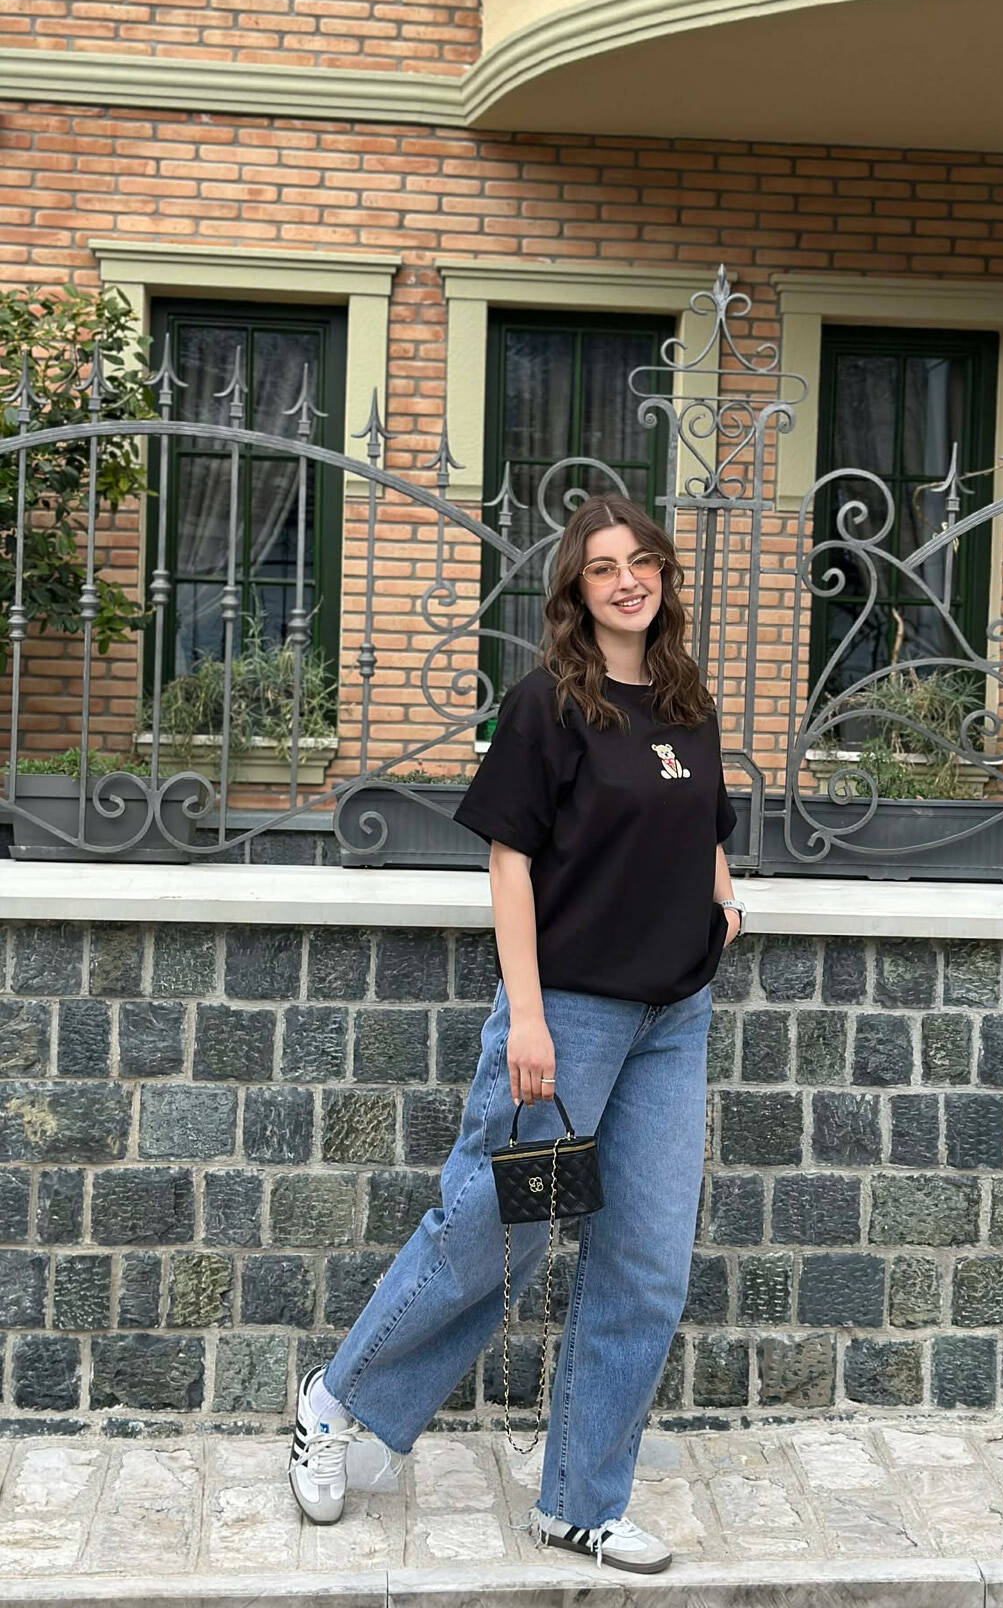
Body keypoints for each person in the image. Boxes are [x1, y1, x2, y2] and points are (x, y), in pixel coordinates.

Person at [287, 492, 745, 1574]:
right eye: (604, 567)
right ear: (576, 589)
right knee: (498, 1232)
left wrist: (726, 902)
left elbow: (706, 828)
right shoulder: (549, 705)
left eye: (642, 562)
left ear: (665, 575)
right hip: (568, 1021)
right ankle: (336, 1403)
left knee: (645, 1268)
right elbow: (509, 863)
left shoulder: (686, 703)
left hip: (671, 1022)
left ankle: (580, 1503)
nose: (628, 580)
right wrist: (528, 1017)